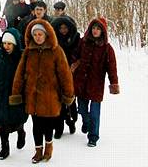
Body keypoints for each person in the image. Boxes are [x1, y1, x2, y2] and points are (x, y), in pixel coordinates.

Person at [10, 19, 74, 163]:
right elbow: (19, 73)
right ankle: (38, 151)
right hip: (32, 96)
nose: (38, 37)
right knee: (36, 125)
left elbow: (65, 74)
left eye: (40, 34)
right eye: (35, 34)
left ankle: (48, 147)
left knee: (48, 125)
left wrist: (68, 94)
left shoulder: (56, 51)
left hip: (50, 96)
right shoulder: (28, 51)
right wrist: (16, 92)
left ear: (46, 35)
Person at [71, 17, 120, 147]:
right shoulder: (83, 42)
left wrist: (114, 83)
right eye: (93, 28)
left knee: (94, 113)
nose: (95, 31)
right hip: (81, 82)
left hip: (96, 84)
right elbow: (75, 55)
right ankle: (85, 122)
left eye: (98, 28)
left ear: (103, 31)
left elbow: (112, 68)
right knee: (81, 109)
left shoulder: (107, 48)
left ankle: (93, 136)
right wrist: (75, 63)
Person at [0, 28, 27, 160]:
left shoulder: (21, 57)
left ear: (15, 44)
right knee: (2, 123)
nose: (6, 46)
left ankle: (21, 132)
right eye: (5, 43)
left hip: (16, 96)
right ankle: (4, 147)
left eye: (9, 44)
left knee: (17, 121)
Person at [51, 16, 81, 138]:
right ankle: (59, 128)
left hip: (72, 72)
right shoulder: (54, 40)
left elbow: (80, 54)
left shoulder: (76, 38)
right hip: (58, 72)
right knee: (59, 101)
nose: (63, 30)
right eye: (61, 28)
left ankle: (71, 121)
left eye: (65, 28)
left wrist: (75, 64)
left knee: (70, 99)